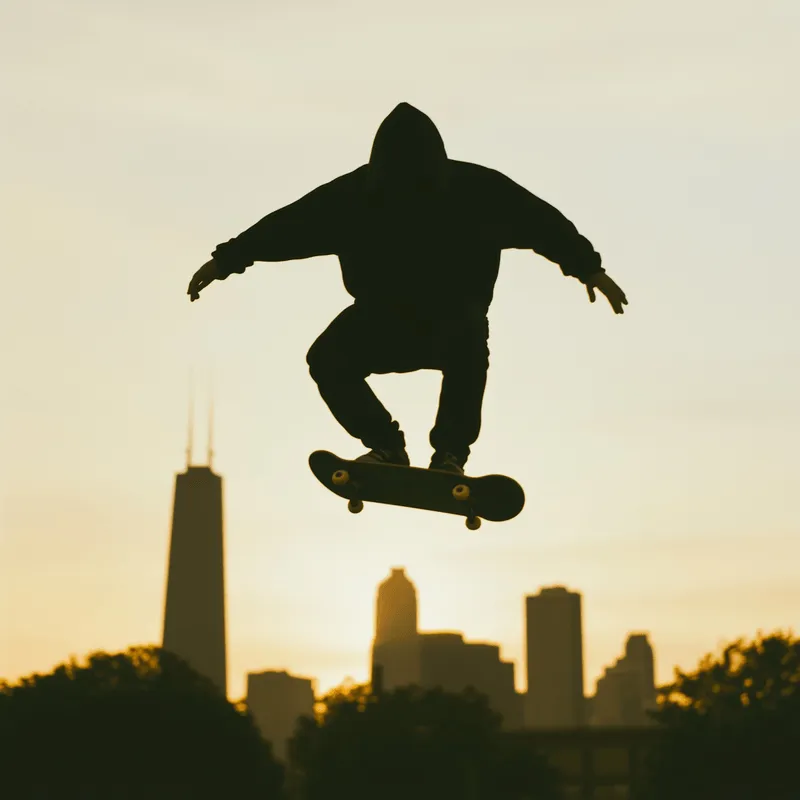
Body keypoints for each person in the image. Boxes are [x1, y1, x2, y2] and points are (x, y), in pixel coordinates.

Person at [187, 102, 628, 476]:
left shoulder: (471, 191)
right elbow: (287, 227)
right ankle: (395, 449)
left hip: (439, 318)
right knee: (333, 357)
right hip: (391, 318)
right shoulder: (367, 195)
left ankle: (441, 453)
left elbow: (542, 223)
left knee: (462, 340)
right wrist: (226, 259)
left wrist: (588, 268)